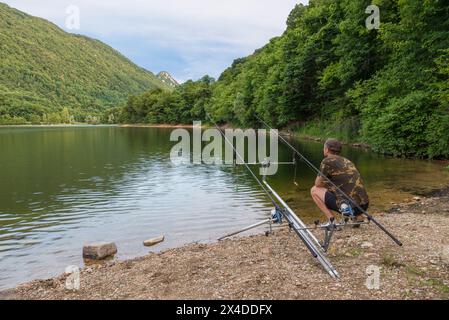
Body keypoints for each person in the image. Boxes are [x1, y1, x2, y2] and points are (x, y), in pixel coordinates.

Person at [310, 139, 369, 226]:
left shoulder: (327, 161)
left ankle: (332, 220)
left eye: (324, 148)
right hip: (364, 205)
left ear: (326, 149)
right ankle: (358, 216)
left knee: (314, 190)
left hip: (350, 207)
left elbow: (318, 184)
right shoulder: (346, 160)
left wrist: (327, 182)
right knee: (342, 190)